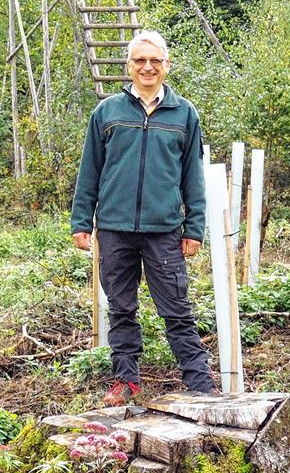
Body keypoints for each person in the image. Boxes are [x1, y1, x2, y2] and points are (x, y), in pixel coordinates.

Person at [70, 29, 216, 406]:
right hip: (115, 230)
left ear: (166, 66)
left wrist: (194, 227)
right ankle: (126, 381)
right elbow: (90, 170)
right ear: (129, 66)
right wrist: (81, 221)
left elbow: (192, 176)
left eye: (155, 61)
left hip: (164, 230)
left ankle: (200, 384)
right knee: (121, 308)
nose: (147, 67)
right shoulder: (107, 112)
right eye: (140, 60)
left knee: (177, 310)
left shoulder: (185, 114)